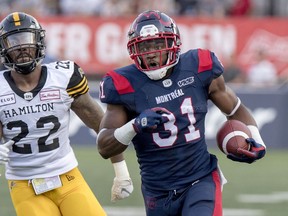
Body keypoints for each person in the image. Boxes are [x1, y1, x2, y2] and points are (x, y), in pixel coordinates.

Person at [97, 10, 266, 216]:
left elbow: (235, 109)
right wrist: (134, 126)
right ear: (134, 49)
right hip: (156, 191)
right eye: (144, 46)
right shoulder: (122, 83)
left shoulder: (198, 66)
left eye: (158, 44)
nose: (151, 52)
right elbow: (104, 146)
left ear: (173, 43)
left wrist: (256, 140)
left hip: (200, 179)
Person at [0, 12, 133, 216]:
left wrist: (121, 171)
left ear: (38, 41)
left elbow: (101, 124)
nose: (21, 47)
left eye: (26, 39)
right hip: (23, 183)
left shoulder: (63, 77)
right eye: (13, 42)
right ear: (4, 48)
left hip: (67, 177)